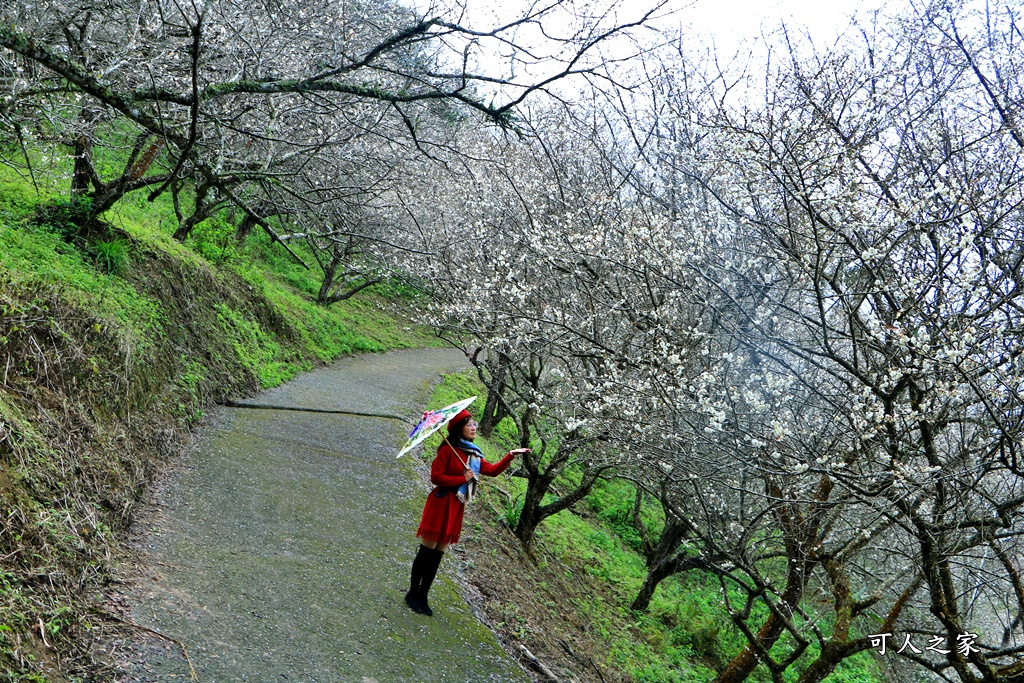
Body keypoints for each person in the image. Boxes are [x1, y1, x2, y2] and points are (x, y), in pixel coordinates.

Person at [405, 408, 530, 616]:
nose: (474, 427)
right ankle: (412, 593)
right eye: (469, 424)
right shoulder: (447, 450)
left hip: (455, 506)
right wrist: (462, 479)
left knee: (438, 555)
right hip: (441, 502)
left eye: (474, 424)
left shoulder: (473, 453)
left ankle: (423, 595)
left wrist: (510, 456)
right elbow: (436, 477)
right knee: (427, 552)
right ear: (458, 428)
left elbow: (491, 470)